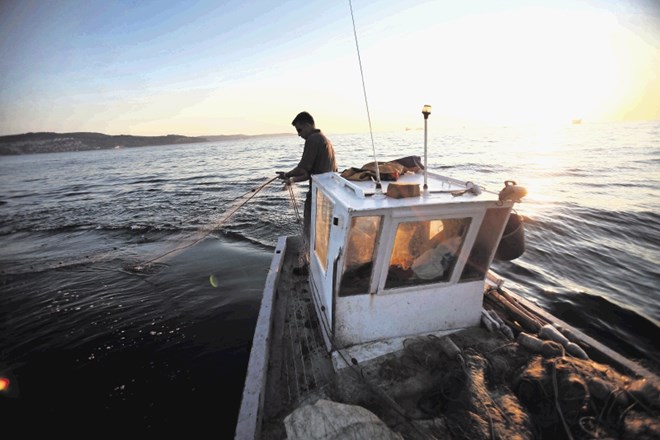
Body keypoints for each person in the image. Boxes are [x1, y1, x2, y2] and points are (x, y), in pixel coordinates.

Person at [277, 111, 337, 239]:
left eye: (299, 130)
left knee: (309, 227)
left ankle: (307, 254)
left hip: (318, 194)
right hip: (330, 193)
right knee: (322, 227)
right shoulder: (325, 139)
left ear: (308, 125)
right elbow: (307, 174)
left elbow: (302, 168)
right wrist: (291, 179)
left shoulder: (313, 139)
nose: (299, 134)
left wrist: (287, 174)